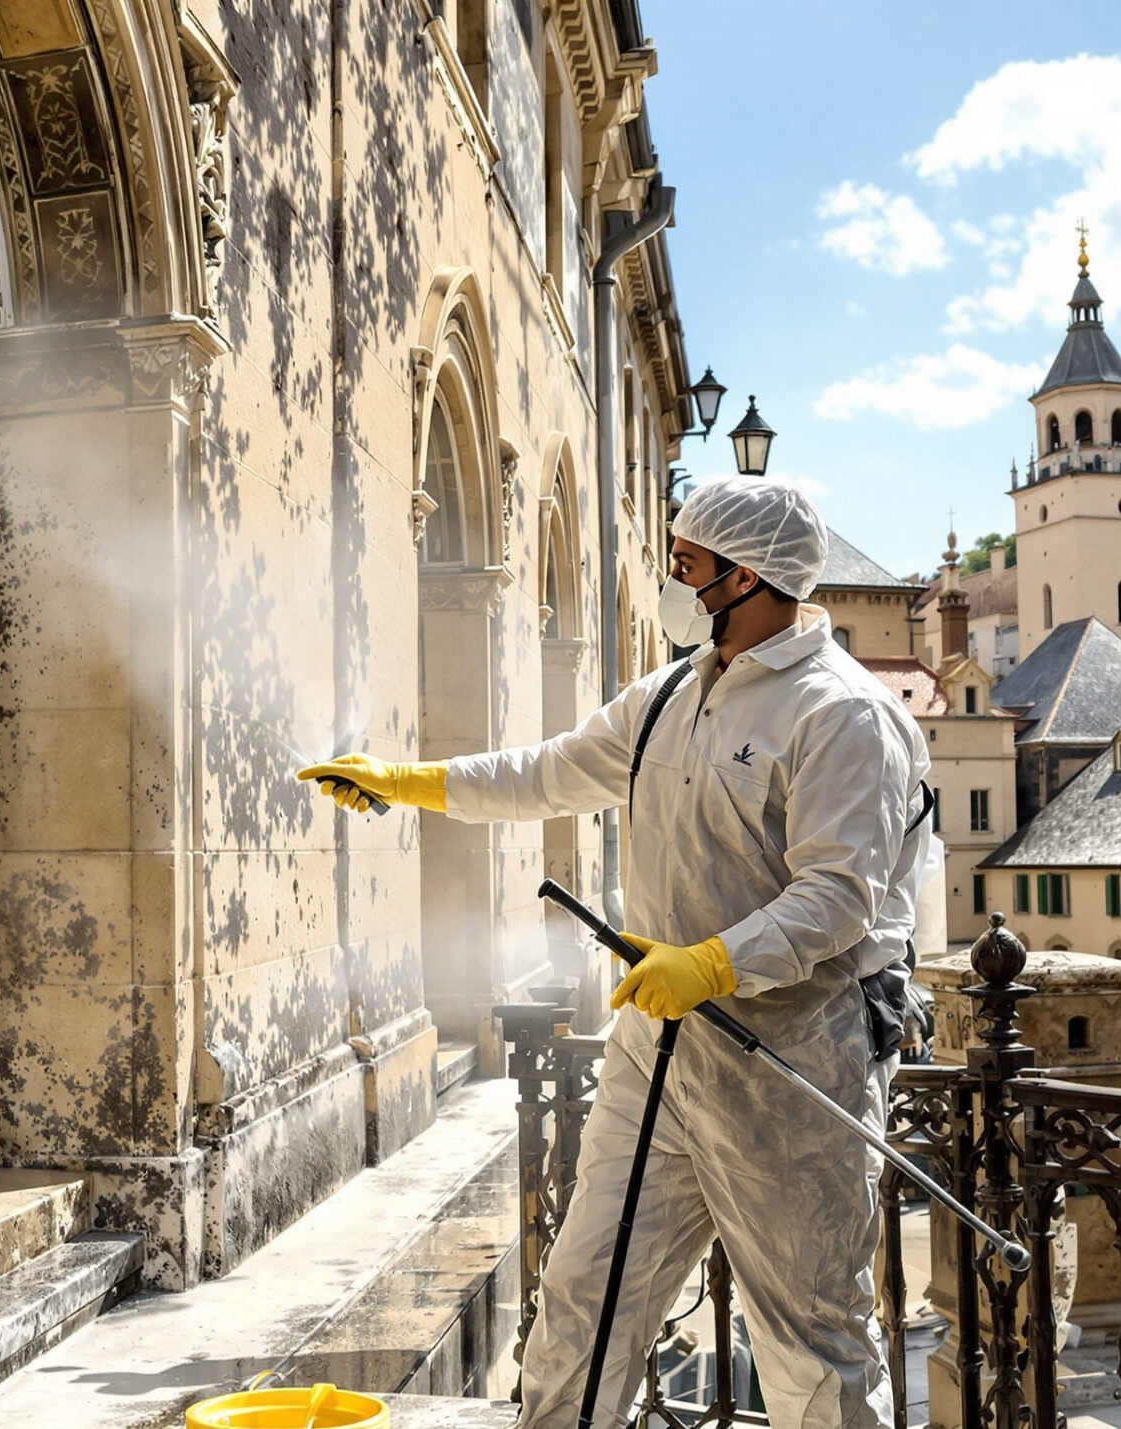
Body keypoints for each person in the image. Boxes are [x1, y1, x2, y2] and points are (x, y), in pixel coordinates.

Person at [299, 476, 929, 1429]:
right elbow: (546, 772)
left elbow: (839, 898)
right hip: (657, 1058)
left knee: (813, 1348)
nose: (669, 580)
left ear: (745, 576)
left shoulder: (842, 713)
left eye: (685, 564)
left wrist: (709, 964)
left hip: (791, 1071)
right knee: (583, 1302)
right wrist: (409, 781)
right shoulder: (672, 693)